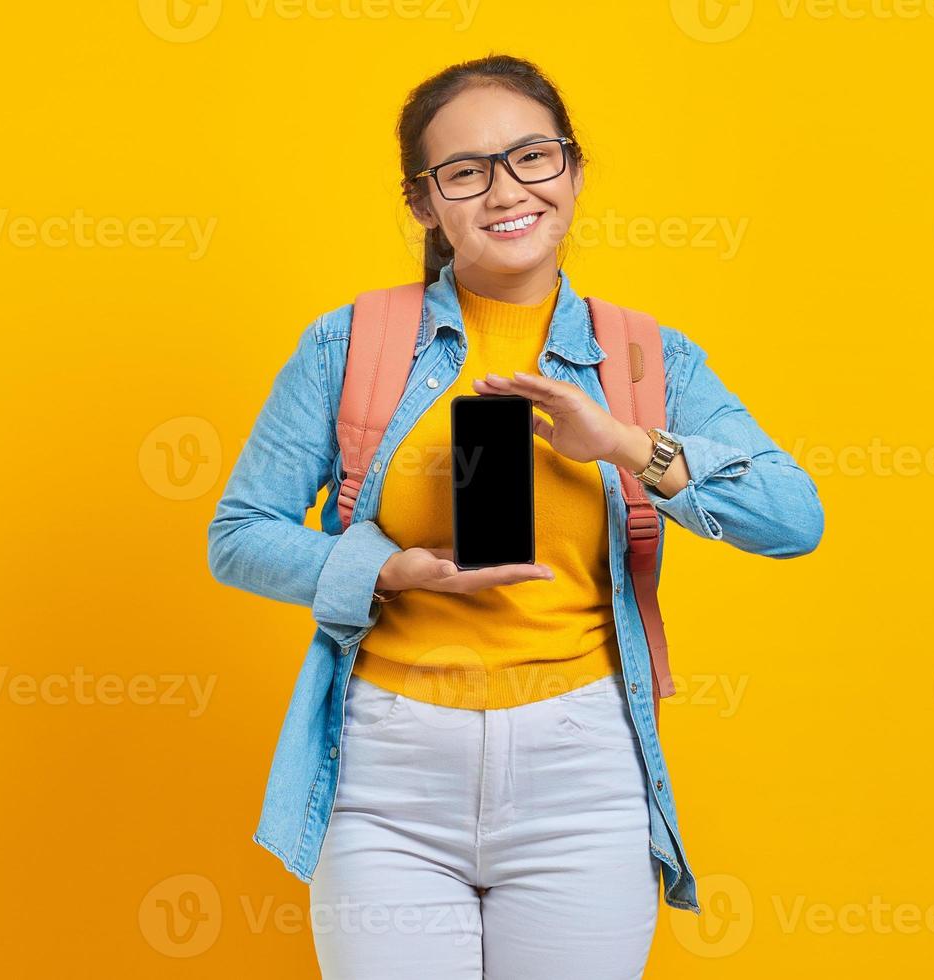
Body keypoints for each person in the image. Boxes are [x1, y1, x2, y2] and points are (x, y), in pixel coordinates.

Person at [207, 53, 824, 980]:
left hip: (581, 776)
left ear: (572, 170)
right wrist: (387, 568)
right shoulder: (352, 343)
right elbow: (239, 533)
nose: (507, 190)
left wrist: (621, 443)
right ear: (426, 203)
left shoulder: (648, 358)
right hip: (388, 775)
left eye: (533, 157)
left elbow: (792, 516)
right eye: (466, 171)